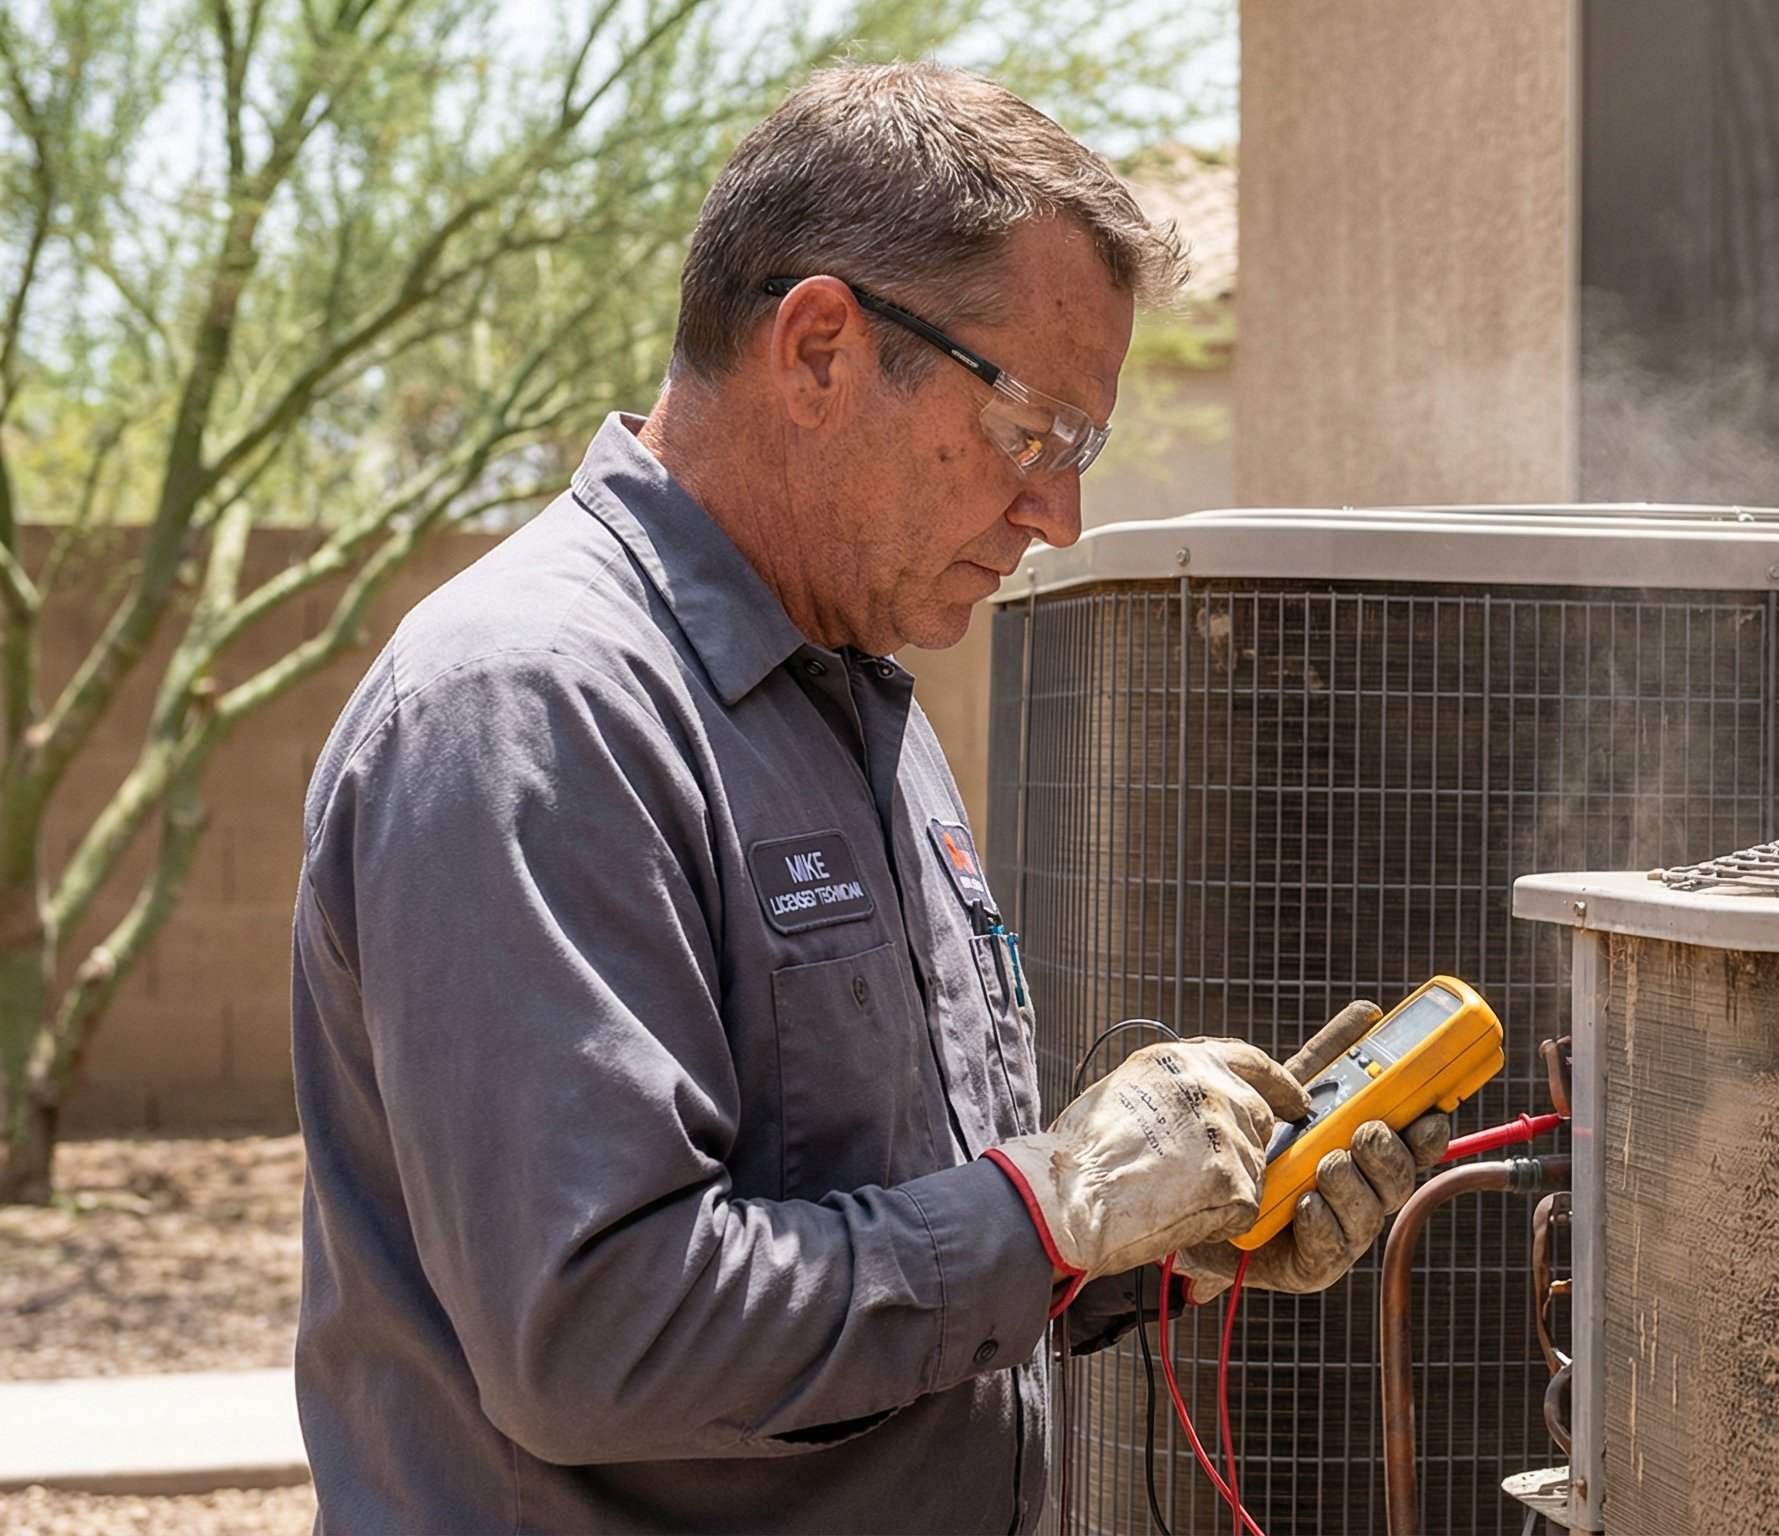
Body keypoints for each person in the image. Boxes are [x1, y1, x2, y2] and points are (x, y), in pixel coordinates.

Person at [290, 62, 1446, 1533]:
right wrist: (1047, 1210)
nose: (1059, 514)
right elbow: (597, 1337)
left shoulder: (854, 695)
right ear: (823, 348)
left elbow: (891, 1226)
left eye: (1079, 449)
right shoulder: (528, 708)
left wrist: (1160, 1233)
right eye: (1035, 427)